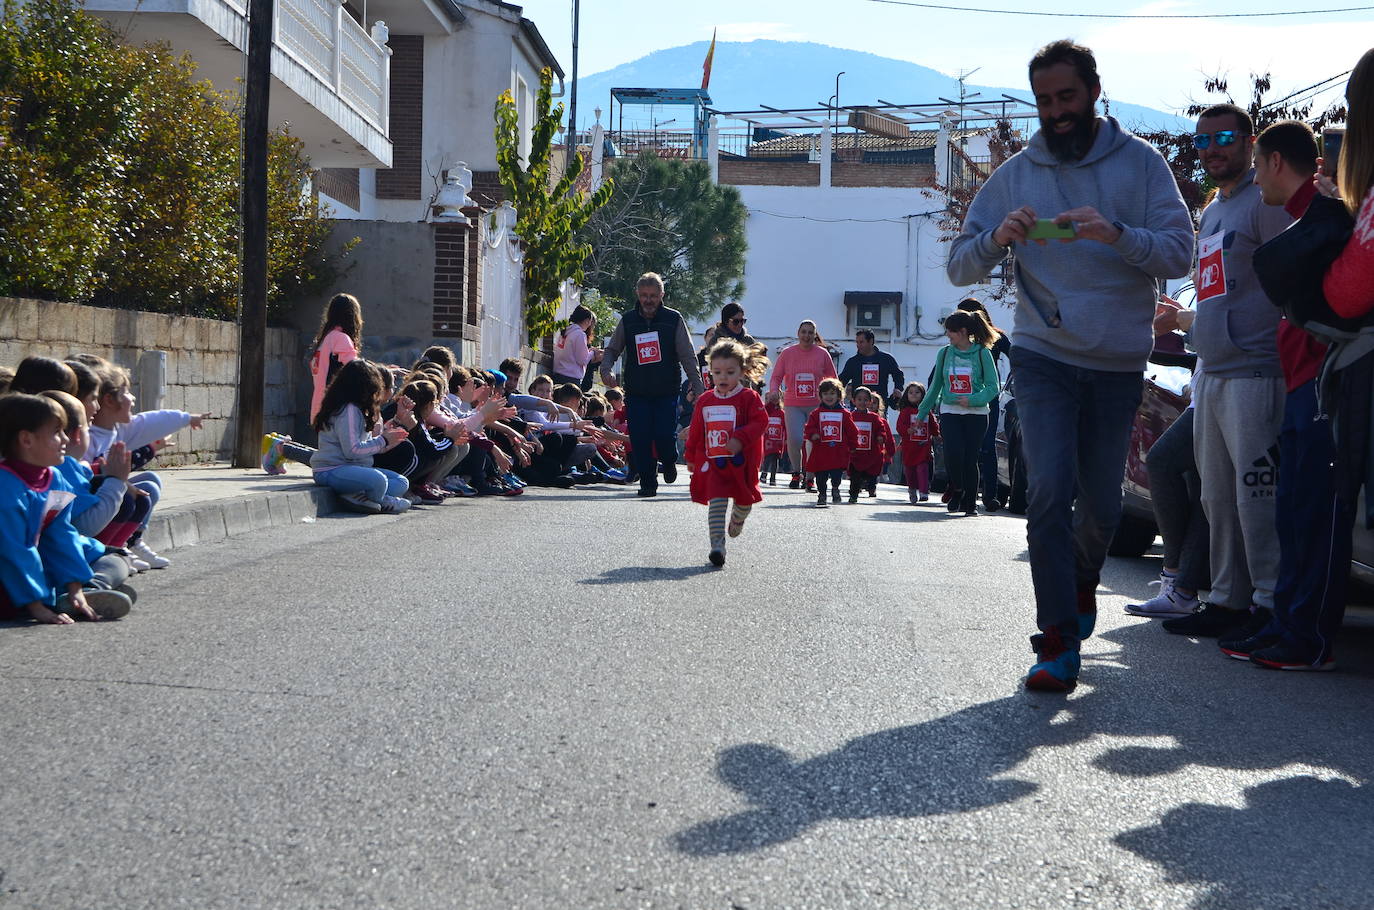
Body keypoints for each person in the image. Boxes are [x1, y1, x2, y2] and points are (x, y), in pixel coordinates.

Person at [948, 39, 1194, 691]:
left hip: (1117, 363)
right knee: (1050, 490)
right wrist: (997, 238)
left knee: (1103, 509)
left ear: (1093, 93)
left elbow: (1180, 252)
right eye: (1044, 100)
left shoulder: (1141, 164)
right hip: (1043, 355)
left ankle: (1081, 584)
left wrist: (1117, 234)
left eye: (1067, 97)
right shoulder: (1016, 174)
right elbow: (958, 266)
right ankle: (1056, 640)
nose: (1056, 111)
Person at [1151, 103, 1294, 644]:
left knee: (1257, 497)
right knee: (1217, 498)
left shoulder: (1266, 203)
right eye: (1202, 140)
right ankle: (1228, 600)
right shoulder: (1213, 211)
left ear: (1249, 142)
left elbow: (1290, 286)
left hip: (1257, 372)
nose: (1212, 149)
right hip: (1210, 373)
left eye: (1224, 138)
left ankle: (1269, 605)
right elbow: (1217, 293)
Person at [0, 394, 132, 624]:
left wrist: (75, 586)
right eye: (56, 432)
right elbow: (15, 550)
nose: (65, 439)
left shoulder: (54, 478)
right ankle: (40, 600)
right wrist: (36, 607)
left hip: (37, 566)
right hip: (8, 574)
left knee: (117, 559)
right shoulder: (6, 487)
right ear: (26, 439)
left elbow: (60, 533)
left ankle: (83, 593)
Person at [600, 273, 705, 497]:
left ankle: (669, 459)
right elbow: (612, 349)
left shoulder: (673, 319)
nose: (648, 300)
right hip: (637, 392)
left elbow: (687, 355)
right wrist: (606, 369)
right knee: (640, 439)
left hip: (666, 391)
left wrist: (698, 386)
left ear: (662, 295)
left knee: (664, 435)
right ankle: (648, 483)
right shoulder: (628, 320)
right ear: (638, 294)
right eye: (644, 295)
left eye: (653, 296)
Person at [685, 339, 770, 567]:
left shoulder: (749, 398)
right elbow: (697, 431)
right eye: (717, 372)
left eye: (730, 372)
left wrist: (740, 438)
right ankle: (717, 547)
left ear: (741, 372)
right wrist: (691, 457)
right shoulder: (705, 400)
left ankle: (737, 520)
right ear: (710, 372)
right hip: (715, 463)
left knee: (744, 502)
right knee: (716, 502)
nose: (723, 377)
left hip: (742, 465)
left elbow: (761, 422)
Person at [914, 310, 1000, 517]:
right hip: (950, 411)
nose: (947, 335)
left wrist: (973, 399)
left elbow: (993, 386)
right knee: (953, 454)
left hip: (977, 414)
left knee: (970, 459)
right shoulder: (944, 353)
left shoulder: (982, 353)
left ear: (962, 331)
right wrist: (921, 414)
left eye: (950, 331)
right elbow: (936, 386)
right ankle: (958, 489)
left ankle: (970, 503)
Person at [310, 359, 412, 514]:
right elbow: (352, 450)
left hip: (355, 468)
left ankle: (358, 496)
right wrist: (383, 440)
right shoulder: (348, 410)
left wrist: (388, 440)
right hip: (332, 469)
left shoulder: (359, 409)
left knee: (401, 482)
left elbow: (366, 446)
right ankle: (382, 500)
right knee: (378, 480)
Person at [956, 299, 1013, 511]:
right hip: (963, 398)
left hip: (988, 397)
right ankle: (965, 492)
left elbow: (1017, 359)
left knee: (987, 446)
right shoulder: (959, 339)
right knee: (967, 447)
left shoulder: (996, 336)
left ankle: (990, 496)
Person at [769, 320, 838, 492]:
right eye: (804, 332)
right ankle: (796, 472)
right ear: (798, 333)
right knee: (795, 439)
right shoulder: (787, 353)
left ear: (815, 335)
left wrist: (836, 399)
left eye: (810, 332)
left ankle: (810, 477)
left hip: (816, 405)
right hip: (793, 404)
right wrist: (774, 391)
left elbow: (832, 378)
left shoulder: (822, 354)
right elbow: (776, 376)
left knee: (813, 440)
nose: (806, 336)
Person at [307, 293, 363, 424]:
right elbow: (358, 372)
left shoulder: (324, 340)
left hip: (320, 411)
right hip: (337, 412)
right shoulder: (340, 339)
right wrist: (383, 372)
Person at [803, 378, 858, 508]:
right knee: (820, 475)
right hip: (821, 451)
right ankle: (822, 494)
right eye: (826, 393)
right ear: (821, 396)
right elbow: (809, 428)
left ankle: (835, 488)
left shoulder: (845, 414)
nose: (829, 397)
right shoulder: (816, 414)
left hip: (838, 452)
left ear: (839, 395)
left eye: (832, 393)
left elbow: (852, 431)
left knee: (836, 474)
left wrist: (853, 445)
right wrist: (813, 434)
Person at [847, 387, 894, 502]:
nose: (862, 402)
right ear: (853, 401)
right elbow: (846, 431)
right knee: (855, 476)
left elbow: (881, 429)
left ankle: (872, 488)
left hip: (871, 453)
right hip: (855, 454)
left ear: (870, 402)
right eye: (859, 399)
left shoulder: (874, 417)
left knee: (872, 474)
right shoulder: (850, 416)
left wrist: (881, 437)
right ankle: (853, 495)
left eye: (865, 400)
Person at [895, 382, 939, 504]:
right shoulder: (905, 412)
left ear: (923, 395)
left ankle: (924, 492)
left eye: (917, 392)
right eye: (911, 392)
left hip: (923, 447)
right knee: (909, 471)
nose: (914, 394)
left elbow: (933, 425)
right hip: (909, 448)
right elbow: (899, 427)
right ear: (906, 395)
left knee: (922, 468)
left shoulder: (926, 411)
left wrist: (937, 434)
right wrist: (907, 430)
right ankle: (912, 490)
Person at [839, 329, 905, 409]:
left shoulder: (886, 359)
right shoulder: (853, 362)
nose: (858, 345)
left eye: (861, 342)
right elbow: (841, 381)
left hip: (879, 407)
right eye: (857, 342)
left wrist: (898, 388)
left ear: (871, 341)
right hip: (858, 408)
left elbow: (898, 375)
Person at [553, 305, 602, 388]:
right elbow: (582, 360)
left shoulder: (565, 332)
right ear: (587, 320)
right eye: (590, 321)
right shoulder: (580, 334)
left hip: (557, 374)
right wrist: (592, 352)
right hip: (571, 378)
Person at [761, 391, 786, 486]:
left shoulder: (781, 413)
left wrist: (787, 438)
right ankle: (764, 474)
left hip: (777, 439)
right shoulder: (765, 411)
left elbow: (785, 426)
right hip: (767, 439)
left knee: (775, 458)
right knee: (768, 456)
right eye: (767, 398)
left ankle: (773, 478)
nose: (769, 400)